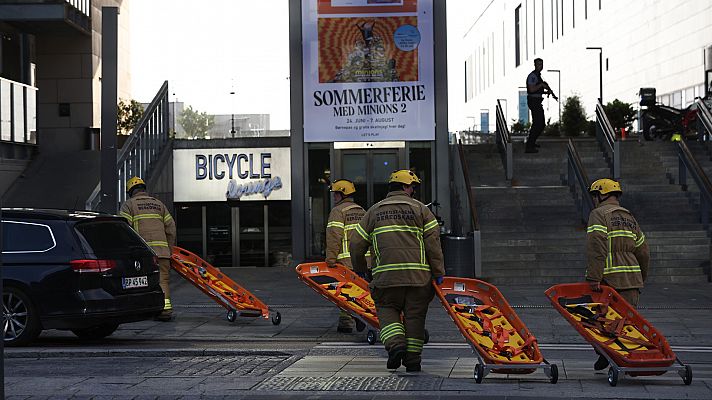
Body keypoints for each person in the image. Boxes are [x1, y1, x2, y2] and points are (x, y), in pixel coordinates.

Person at [350, 170, 445, 372]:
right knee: (415, 318)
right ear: (405, 187)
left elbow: (356, 244)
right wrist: (438, 272)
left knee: (386, 311)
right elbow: (433, 245)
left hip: (386, 279)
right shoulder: (421, 210)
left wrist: (361, 270)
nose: (413, 191)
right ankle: (413, 361)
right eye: (412, 187)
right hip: (418, 280)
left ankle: (396, 345)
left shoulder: (373, 212)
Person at [585, 178, 650, 370]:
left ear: (601, 194)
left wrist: (594, 277)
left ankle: (606, 354)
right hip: (632, 281)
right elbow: (643, 251)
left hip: (608, 280)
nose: (594, 199)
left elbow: (597, 247)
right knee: (626, 324)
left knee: (597, 322)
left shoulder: (598, 214)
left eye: (595, 195)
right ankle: (626, 358)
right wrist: (640, 277)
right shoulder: (630, 218)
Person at [119, 176, 177, 322]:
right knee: (162, 280)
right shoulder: (159, 204)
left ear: (130, 192)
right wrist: (168, 249)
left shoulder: (129, 205)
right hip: (162, 252)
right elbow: (171, 228)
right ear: (144, 189)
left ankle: (138, 311)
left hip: (142, 254)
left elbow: (124, 229)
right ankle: (165, 310)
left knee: (137, 282)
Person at [325, 179, 368, 333]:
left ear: (343, 194)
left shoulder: (338, 212)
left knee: (345, 292)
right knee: (361, 292)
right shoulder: (362, 211)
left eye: (336, 194)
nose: (334, 197)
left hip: (346, 262)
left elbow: (334, 237)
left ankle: (348, 322)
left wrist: (330, 259)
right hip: (363, 262)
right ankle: (360, 317)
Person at [525, 58, 556, 153]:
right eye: (538, 64)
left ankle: (532, 142)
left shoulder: (538, 76)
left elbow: (539, 89)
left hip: (537, 101)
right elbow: (531, 89)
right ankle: (529, 145)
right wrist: (541, 85)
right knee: (538, 123)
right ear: (534, 65)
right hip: (533, 101)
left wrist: (547, 91)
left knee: (541, 123)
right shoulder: (532, 76)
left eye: (541, 64)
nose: (540, 66)